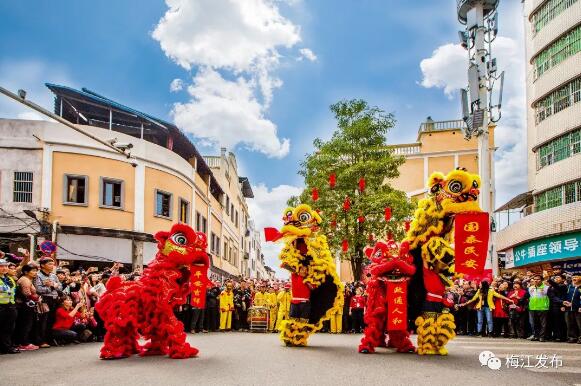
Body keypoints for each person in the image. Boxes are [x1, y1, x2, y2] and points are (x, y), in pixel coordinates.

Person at [34, 257, 62, 347]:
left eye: (52, 264)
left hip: (54, 300)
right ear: (42, 265)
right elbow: (38, 289)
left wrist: (53, 285)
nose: (52, 266)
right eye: (49, 264)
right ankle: (41, 341)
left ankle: (49, 339)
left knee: (51, 321)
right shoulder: (37, 275)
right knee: (43, 322)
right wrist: (51, 287)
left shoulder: (53, 275)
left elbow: (60, 287)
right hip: (44, 300)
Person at [15, 263, 40, 351]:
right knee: (25, 324)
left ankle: (23, 342)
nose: (35, 272)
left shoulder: (28, 279)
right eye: (33, 270)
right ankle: (23, 343)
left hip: (27, 304)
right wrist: (37, 298)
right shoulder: (25, 280)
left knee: (26, 324)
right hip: (25, 305)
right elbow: (27, 294)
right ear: (26, 272)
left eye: (36, 270)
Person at [0, 258, 19, 354]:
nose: (4, 268)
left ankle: (7, 347)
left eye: (6, 266)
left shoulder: (10, 278)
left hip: (11, 306)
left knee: (9, 328)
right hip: (1, 306)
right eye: (1, 266)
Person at [527, 274, 550, 341]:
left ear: (542, 280)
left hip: (543, 307)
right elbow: (527, 297)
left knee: (543, 324)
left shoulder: (546, 288)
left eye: (538, 279)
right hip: (533, 308)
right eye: (535, 279)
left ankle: (542, 337)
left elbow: (552, 297)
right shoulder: (530, 288)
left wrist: (561, 302)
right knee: (534, 324)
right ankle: (536, 336)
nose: (536, 280)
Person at [547, 274, 568, 341]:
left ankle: (561, 337)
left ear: (563, 279)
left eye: (558, 277)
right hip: (551, 306)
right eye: (555, 277)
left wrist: (562, 304)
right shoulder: (550, 287)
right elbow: (551, 296)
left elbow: (557, 287)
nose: (556, 278)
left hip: (559, 306)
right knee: (552, 322)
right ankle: (554, 335)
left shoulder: (563, 286)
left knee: (560, 322)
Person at [563, 273, 581, 344]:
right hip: (568, 309)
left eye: (576, 277)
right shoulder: (569, 287)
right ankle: (572, 337)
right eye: (573, 277)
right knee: (570, 324)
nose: (574, 278)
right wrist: (563, 305)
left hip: (578, 309)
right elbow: (564, 296)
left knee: (579, 324)